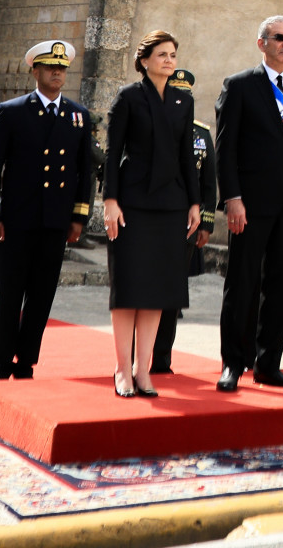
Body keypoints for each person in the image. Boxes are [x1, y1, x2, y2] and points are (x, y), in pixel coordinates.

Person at [215, 16, 283, 392]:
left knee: (279, 288)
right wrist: (232, 198)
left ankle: (268, 364)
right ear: (262, 43)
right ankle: (233, 363)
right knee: (242, 284)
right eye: (279, 37)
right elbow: (225, 148)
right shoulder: (239, 85)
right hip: (250, 205)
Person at [0, 40, 94, 381]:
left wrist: (78, 217)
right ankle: (3, 358)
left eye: (61, 68)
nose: (57, 73)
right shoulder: (13, 111)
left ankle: (27, 359)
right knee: (10, 291)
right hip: (17, 218)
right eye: (50, 68)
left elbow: (84, 171)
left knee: (42, 293)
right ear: (35, 71)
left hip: (55, 220)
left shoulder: (78, 115)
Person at [103, 31, 199, 398]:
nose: (169, 60)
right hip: (132, 203)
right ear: (144, 61)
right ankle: (122, 369)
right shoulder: (128, 97)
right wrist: (110, 200)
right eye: (162, 54)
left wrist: (194, 202)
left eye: (173, 54)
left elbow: (187, 155)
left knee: (157, 290)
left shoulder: (183, 101)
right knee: (129, 287)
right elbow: (113, 153)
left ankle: (143, 370)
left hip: (171, 204)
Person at [148, 69, 216, 375]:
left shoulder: (201, 134)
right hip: (151, 223)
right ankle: (137, 357)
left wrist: (207, 224)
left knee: (173, 294)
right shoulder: (149, 127)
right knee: (146, 290)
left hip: (186, 225)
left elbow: (209, 182)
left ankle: (162, 359)